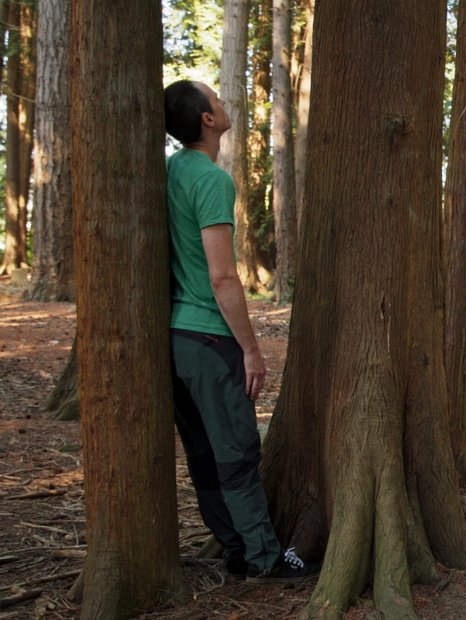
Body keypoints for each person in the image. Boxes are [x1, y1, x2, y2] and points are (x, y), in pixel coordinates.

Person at [164, 80, 320, 584]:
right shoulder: (211, 179)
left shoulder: (170, 170)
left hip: (177, 341)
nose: (224, 102)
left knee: (204, 455)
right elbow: (223, 276)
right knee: (236, 455)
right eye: (218, 99)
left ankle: (235, 548)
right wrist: (250, 350)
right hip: (210, 339)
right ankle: (263, 558)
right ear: (207, 120)